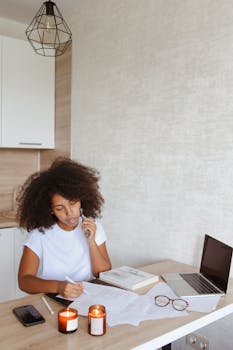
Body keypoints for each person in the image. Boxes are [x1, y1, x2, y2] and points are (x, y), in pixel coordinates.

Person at [16, 157, 111, 299]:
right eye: (60, 208)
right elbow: (24, 281)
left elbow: (102, 274)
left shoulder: (93, 227)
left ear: (81, 201)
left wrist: (91, 242)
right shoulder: (39, 235)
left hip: (89, 297)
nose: (69, 213)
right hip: (52, 301)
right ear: (50, 210)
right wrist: (59, 287)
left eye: (73, 204)